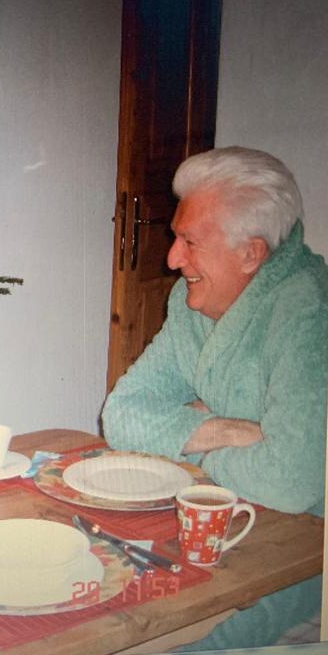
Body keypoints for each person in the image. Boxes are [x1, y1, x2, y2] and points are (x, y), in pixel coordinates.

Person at [101, 147, 328, 650]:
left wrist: (192, 443)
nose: (172, 259)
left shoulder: (307, 311)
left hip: (309, 542)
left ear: (251, 253)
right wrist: (229, 429)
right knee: (107, 592)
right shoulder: (192, 305)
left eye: (190, 242)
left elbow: (292, 482)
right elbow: (121, 415)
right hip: (228, 511)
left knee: (201, 643)